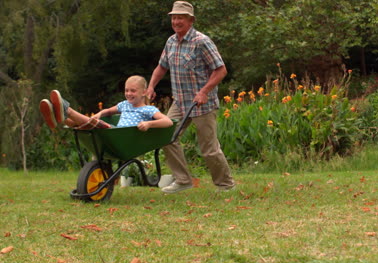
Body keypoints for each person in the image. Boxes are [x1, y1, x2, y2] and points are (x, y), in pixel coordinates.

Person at [147, 1, 235, 194]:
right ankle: (183, 180)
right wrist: (151, 85)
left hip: (202, 104)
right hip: (180, 102)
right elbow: (162, 67)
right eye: (174, 17)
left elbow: (221, 71)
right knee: (167, 137)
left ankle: (225, 185)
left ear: (191, 20)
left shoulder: (202, 41)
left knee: (209, 149)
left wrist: (204, 91)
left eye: (180, 18)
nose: (176, 21)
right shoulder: (170, 41)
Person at [39, 75, 173, 131]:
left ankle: (66, 109)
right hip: (113, 135)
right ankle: (60, 117)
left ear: (144, 92)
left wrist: (149, 123)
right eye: (126, 90)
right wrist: (99, 113)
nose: (128, 94)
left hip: (121, 137)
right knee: (86, 125)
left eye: (133, 91)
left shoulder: (148, 109)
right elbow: (108, 111)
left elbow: (168, 122)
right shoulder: (124, 104)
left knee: (95, 125)